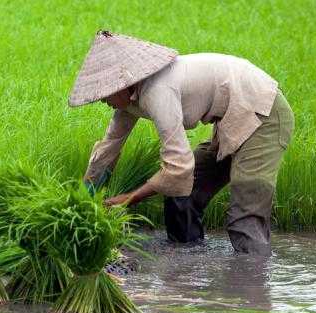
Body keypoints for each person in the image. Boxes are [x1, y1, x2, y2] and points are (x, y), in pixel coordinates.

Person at [68, 31, 294, 256]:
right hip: (233, 118)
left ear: (122, 84)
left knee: (245, 216)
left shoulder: (158, 91)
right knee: (183, 196)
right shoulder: (128, 100)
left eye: (105, 94)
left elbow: (178, 166)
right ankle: (188, 267)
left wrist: (130, 198)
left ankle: (253, 280)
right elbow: (109, 147)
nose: (103, 100)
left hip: (263, 113)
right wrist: (85, 197)